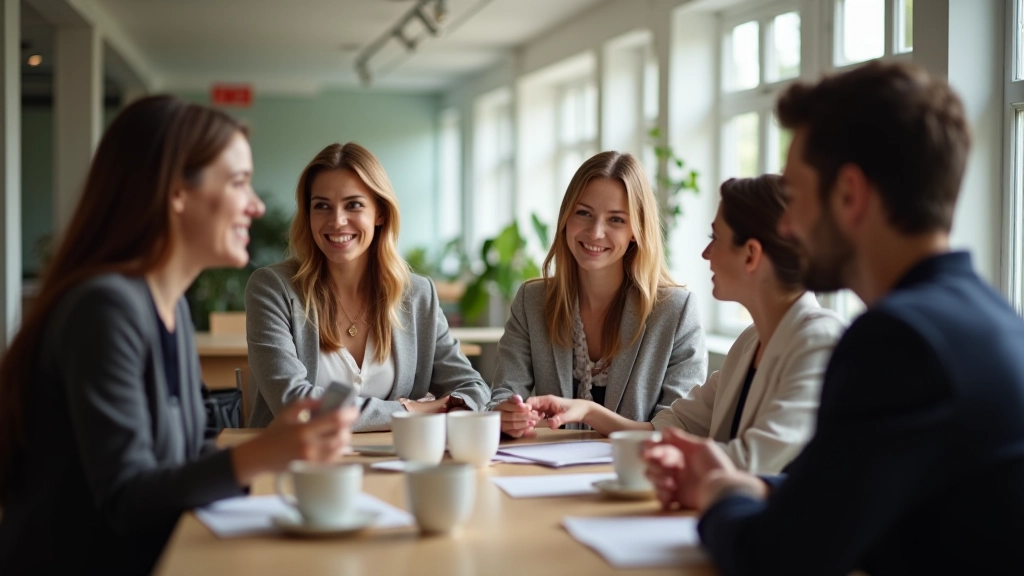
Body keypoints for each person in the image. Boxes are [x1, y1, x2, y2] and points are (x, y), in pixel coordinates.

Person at [644, 61, 1024, 574]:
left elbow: (778, 558)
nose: (786, 223)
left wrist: (715, 491)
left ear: (849, 194)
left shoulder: (897, 341)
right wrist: (754, 486)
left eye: (796, 195)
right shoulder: (986, 320)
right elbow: (854, 496)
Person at [0, 96, 356, 574]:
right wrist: (262, 453)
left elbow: (181, 458)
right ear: (177, 193)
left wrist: (270, 453)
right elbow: (127, 498)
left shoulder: (166, 306)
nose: (254, 205)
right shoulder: (104, 308)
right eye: (238, 182)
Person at [529, 175, 844, 474]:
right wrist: (587, 411)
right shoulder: (751, 342)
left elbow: (755, 461)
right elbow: (669, 427)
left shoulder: (819, 341)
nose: (706, 254)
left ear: (751, 255)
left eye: (715, 238)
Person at [245, 142, 490, 430]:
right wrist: (409, 410)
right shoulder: (273, 288)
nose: (337, 221)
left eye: (354, 205)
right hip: (293, 467)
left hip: (395, 466)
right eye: (322, 206)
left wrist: (450, 405)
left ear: (380, 213)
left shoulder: (417, 295)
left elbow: (473, 388)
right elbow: (295, 405)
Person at [489, 151, 707, 438]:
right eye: (583, 213)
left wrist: (590, 412)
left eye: (616, 219)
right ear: (566, 217)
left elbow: (678, 430)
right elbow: (502, 395)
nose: (595, 232)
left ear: (636, 230)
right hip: (547, 476)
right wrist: (508, 415)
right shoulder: (533, 301)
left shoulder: (676, 312)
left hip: (637, 476)